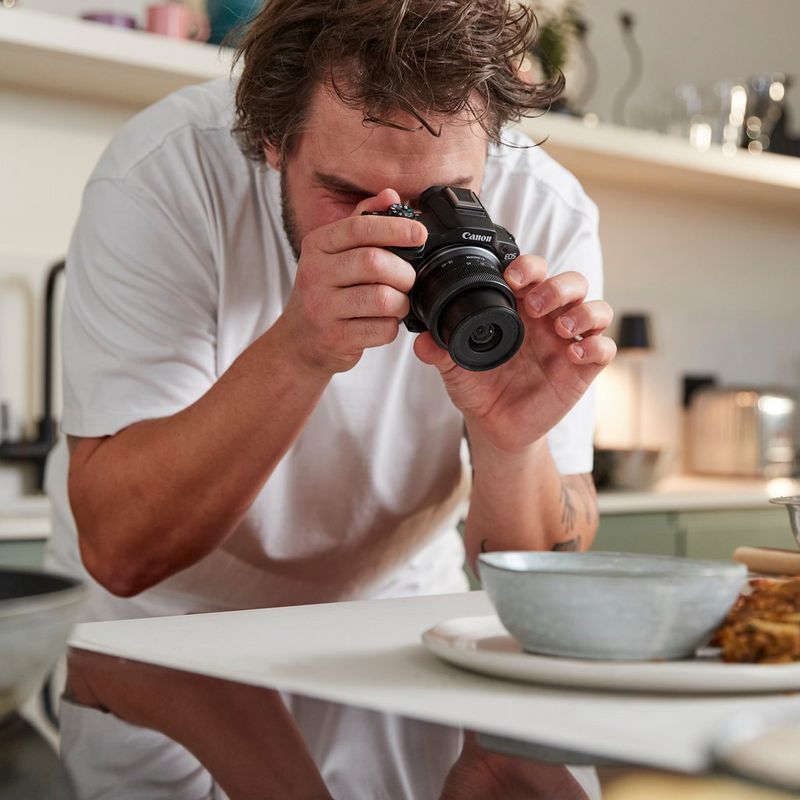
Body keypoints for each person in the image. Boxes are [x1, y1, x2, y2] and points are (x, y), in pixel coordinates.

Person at [45, 0, 616, 797]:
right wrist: (299, 347)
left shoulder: (546, 206)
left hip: (399, 625)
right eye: (348, 194)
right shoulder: (162, 175)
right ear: (270, 140)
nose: (400, 236)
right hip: (161, 642)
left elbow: (530, 580)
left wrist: (509, 439)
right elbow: (121, 553)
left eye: (445, 196)